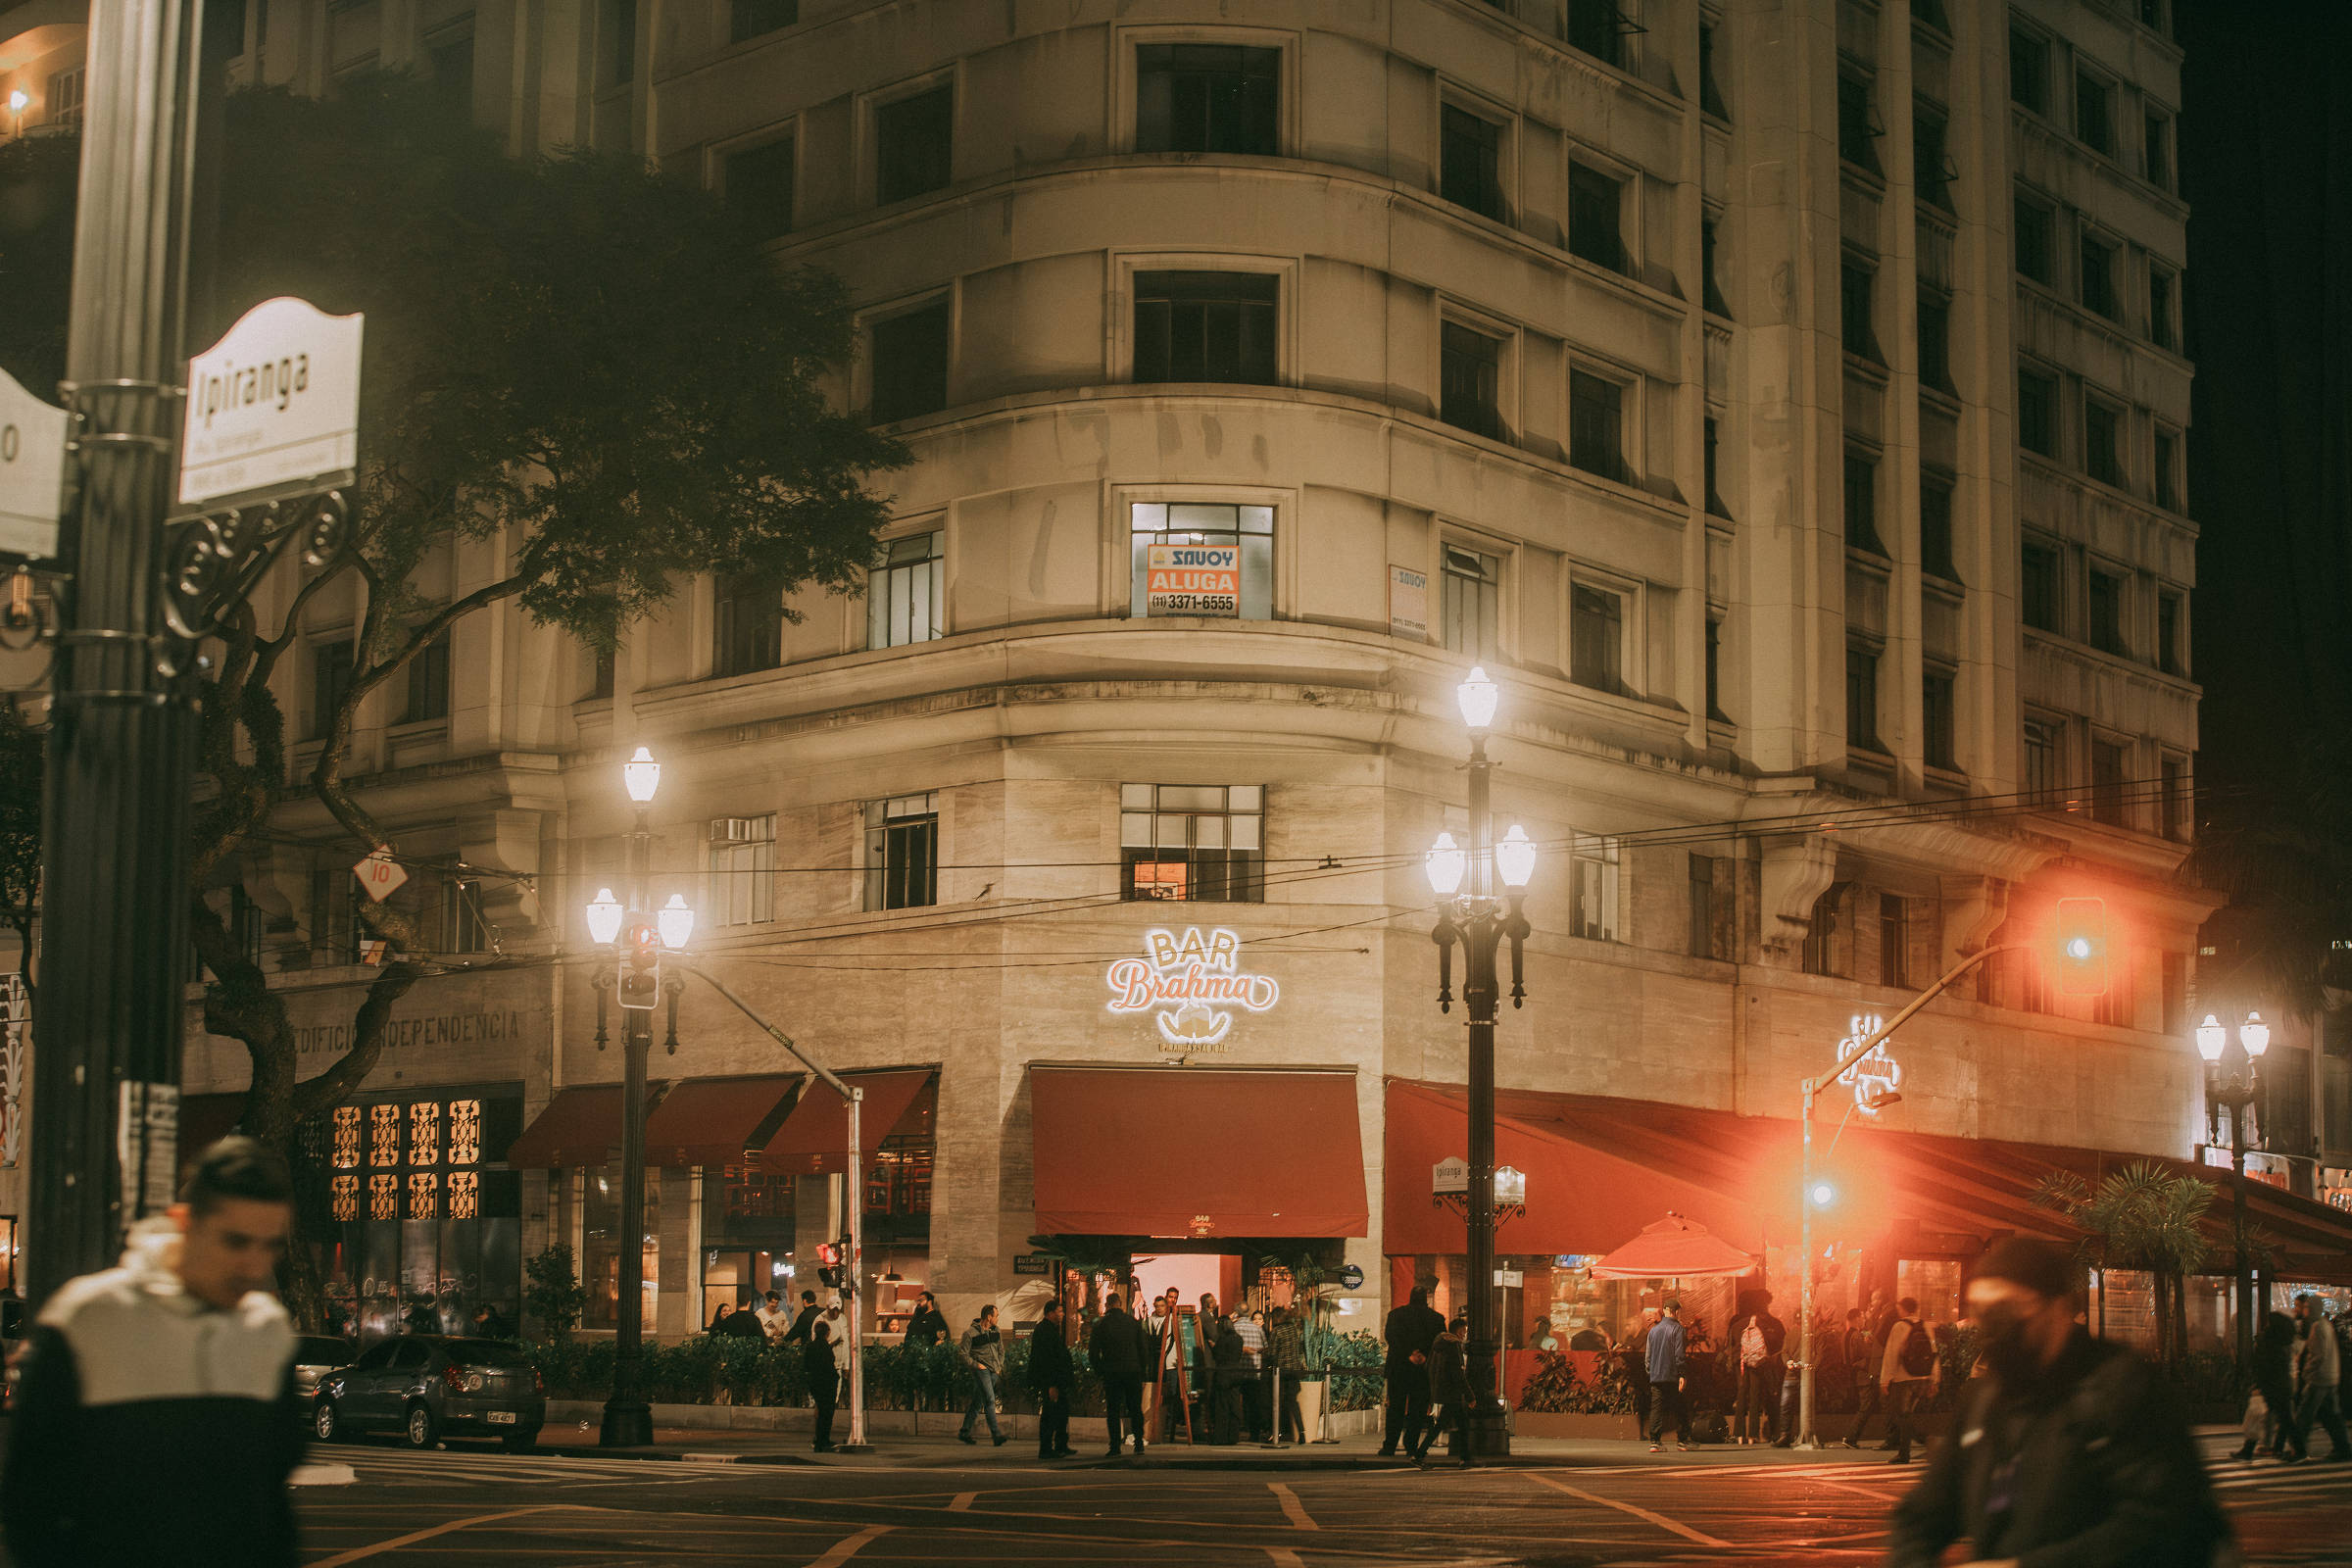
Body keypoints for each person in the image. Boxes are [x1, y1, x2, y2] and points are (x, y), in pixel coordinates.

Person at [1, 1137, 303, 1568]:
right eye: (235, 1242)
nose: (255, 1267)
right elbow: (31, 1503)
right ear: (184, 1222)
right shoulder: (88, 1319)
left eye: (269, 1244)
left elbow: (273, 1505)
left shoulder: (268, 1331)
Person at [1886, 1237, 2231, 1568]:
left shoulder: (2123, 1388)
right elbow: (1923, 1514)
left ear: (2057, 1308)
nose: (1992, 1327)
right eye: (1981, 1310)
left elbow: (2165, 1525)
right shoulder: (1985, 1399)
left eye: (2007, 1309)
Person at [2284, 1292, 2350, 1463]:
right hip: (2330, 1377)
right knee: (2331, 1415)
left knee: (2304, 1415)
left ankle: (2298, 1450)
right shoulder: (2325, 1326)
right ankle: (2342, 1447)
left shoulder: (2317, 1327)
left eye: (2306, 1307)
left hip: (2319, 1378)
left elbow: (2317, 1356)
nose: (2305, 1310)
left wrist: (2307, 1373)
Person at [1087, 1292, 1151, 1456]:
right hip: (1132, 1371)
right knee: (1135, 1408)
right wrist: (1142, 1370)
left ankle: (1115, 1446)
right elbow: (1143, 1349)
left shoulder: (1101, 1324)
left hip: (1112, 1372)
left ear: (1107, 1305)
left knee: (1113, 1410)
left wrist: (1100, 1370)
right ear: (1120, 1304)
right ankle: (1138, 1443)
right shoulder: (1133, 1323)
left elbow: (1093, 1353)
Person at [1879, 1297, 1937, 1464]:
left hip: (1904, 1377)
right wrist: (1934, 1378)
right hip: (1923, 1377)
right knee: (1908, 1415)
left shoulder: (1899, 1326)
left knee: (1901, 1416)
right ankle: (1914, 1448)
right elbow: (1934, 1353)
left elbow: (1891, 1353)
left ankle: (1918, 1446)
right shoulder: (1926, 1325)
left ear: (1902, 1309)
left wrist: (1885, 1379)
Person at [1724, 1288, 1787, 1445]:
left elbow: (1729, 1345)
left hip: (1740, 1362)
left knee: (1741, 1394)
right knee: (1755, 1396)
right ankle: (1753, 1434)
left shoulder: (1736, 1322)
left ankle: (1738, 1434)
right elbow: (1778, 1345)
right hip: (1759, 1363)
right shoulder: (1769, 1322)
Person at [2235, 1310, 2298, 1461]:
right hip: (2280, 1387)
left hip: (2271, 1387)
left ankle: (2249, 1450)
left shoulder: (2269, 1341)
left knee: (2264, 1418)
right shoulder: (2283, 1342)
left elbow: (2263, 1366)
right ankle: (2249, 1449)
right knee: (2282, 1420)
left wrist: (2258, 1385)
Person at [1415, 1315, 1475, 1468]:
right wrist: (1470, 1396)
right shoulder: (1453, 1345)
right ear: (1456, 1331)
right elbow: (1458, 1373)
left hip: (1443, 1390)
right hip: (1453, 1393)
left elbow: (1430, 1367)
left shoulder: (1439, 1343)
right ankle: (1420, 1454)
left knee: (1449, 1425)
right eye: (1463, 1331)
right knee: (1455, 1426)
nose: (1464, 1334)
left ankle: (1464, 1458)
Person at [1841, 1305, 1894, 1449]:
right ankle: (1850, 1437)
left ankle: (1851, 1437)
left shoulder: (1848, 1335)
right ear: (1857, 1318)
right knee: (1868, 1406)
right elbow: (1867, 1356)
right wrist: (1871, 1346)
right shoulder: (1857, 1336)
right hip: (1864, 1376)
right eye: (1863, 1317)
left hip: (1860, 1376)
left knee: (1869, 1406)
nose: (1864, 1320)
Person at [1028, 1299, 1076, 1459]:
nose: (1061, 1315)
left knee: (1061, 1413)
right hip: (1052, 1381)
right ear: (1050, 1313)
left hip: (1057, 1380)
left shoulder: (1052, 1329)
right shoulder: (1045, 1331)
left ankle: (1061, 1444)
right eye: (1059, 1311)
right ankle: (1046, 1448)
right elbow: (1046, 1360)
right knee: (1050, 1414)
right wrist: (1051, 1385)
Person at [1644, 1298, 1692, 1452]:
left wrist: (1651, 1372)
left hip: (1656, 1375)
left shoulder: (1653, 1330)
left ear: (1664, 1311)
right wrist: (1682, 1374)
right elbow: (1679, 1354)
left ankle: (1655, 1442)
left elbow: (1648, 1356)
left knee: (1656, 1408)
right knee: (1680, 1407)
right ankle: (1682, 1441)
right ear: (1677, 1312)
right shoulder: (1678, 1329)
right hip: (1672, 1375)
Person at [956, 1303, 1007, 1446]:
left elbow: (1001, 1350)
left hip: (994, 1371)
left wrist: (999, 1366)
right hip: (981, 1371)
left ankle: (964, 1432)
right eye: (996, 1316)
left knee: (978, 1401)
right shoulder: (970, 1333)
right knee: (990, 1400)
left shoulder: (996, 1331)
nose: (997, 1319)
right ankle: (996, 1435)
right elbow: (962, 1354)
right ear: (989, 1317)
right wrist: (976, 1365)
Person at [1268, 1303, 1308, 1444]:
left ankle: (1276, 1433)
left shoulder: (1276, 1331)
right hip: (1294, 1370)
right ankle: (1302, 1433)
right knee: (1293, 1402)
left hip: (1281, 1371)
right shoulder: (1293, 1329)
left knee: (1276, 1403)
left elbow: (1272, 1354)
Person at [1209, 1313, 1249, 1444]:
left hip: (1224, 1373)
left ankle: (1221, 1437)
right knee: (1234, 1404)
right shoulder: (1238, 1338)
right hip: (1236, 1372)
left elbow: (1218, 1356)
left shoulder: (1222, 1339)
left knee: (1222, 1406)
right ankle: (1233, 1436)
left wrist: (1213, 1347)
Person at [1234, 1307, 1269, 1441]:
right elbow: (1266, 1348)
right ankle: (1254, 1433)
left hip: (1238, 1370)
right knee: (1253, 1403)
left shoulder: (1234, 1327)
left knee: (1236, 1402)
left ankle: (1236, 1431)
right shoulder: (1257, 1329)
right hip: (1255, 1370)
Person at [806, 1318, 840, 1451]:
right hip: (827, 1384)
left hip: (815, 1383)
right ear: (827, 1333)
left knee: (821, 1411)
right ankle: (823, 1440)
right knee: (827, 1413)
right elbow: (828, 1365)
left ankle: (820, 1440)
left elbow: (807, 1365)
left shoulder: (811, 1346)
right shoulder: (825, 1347)